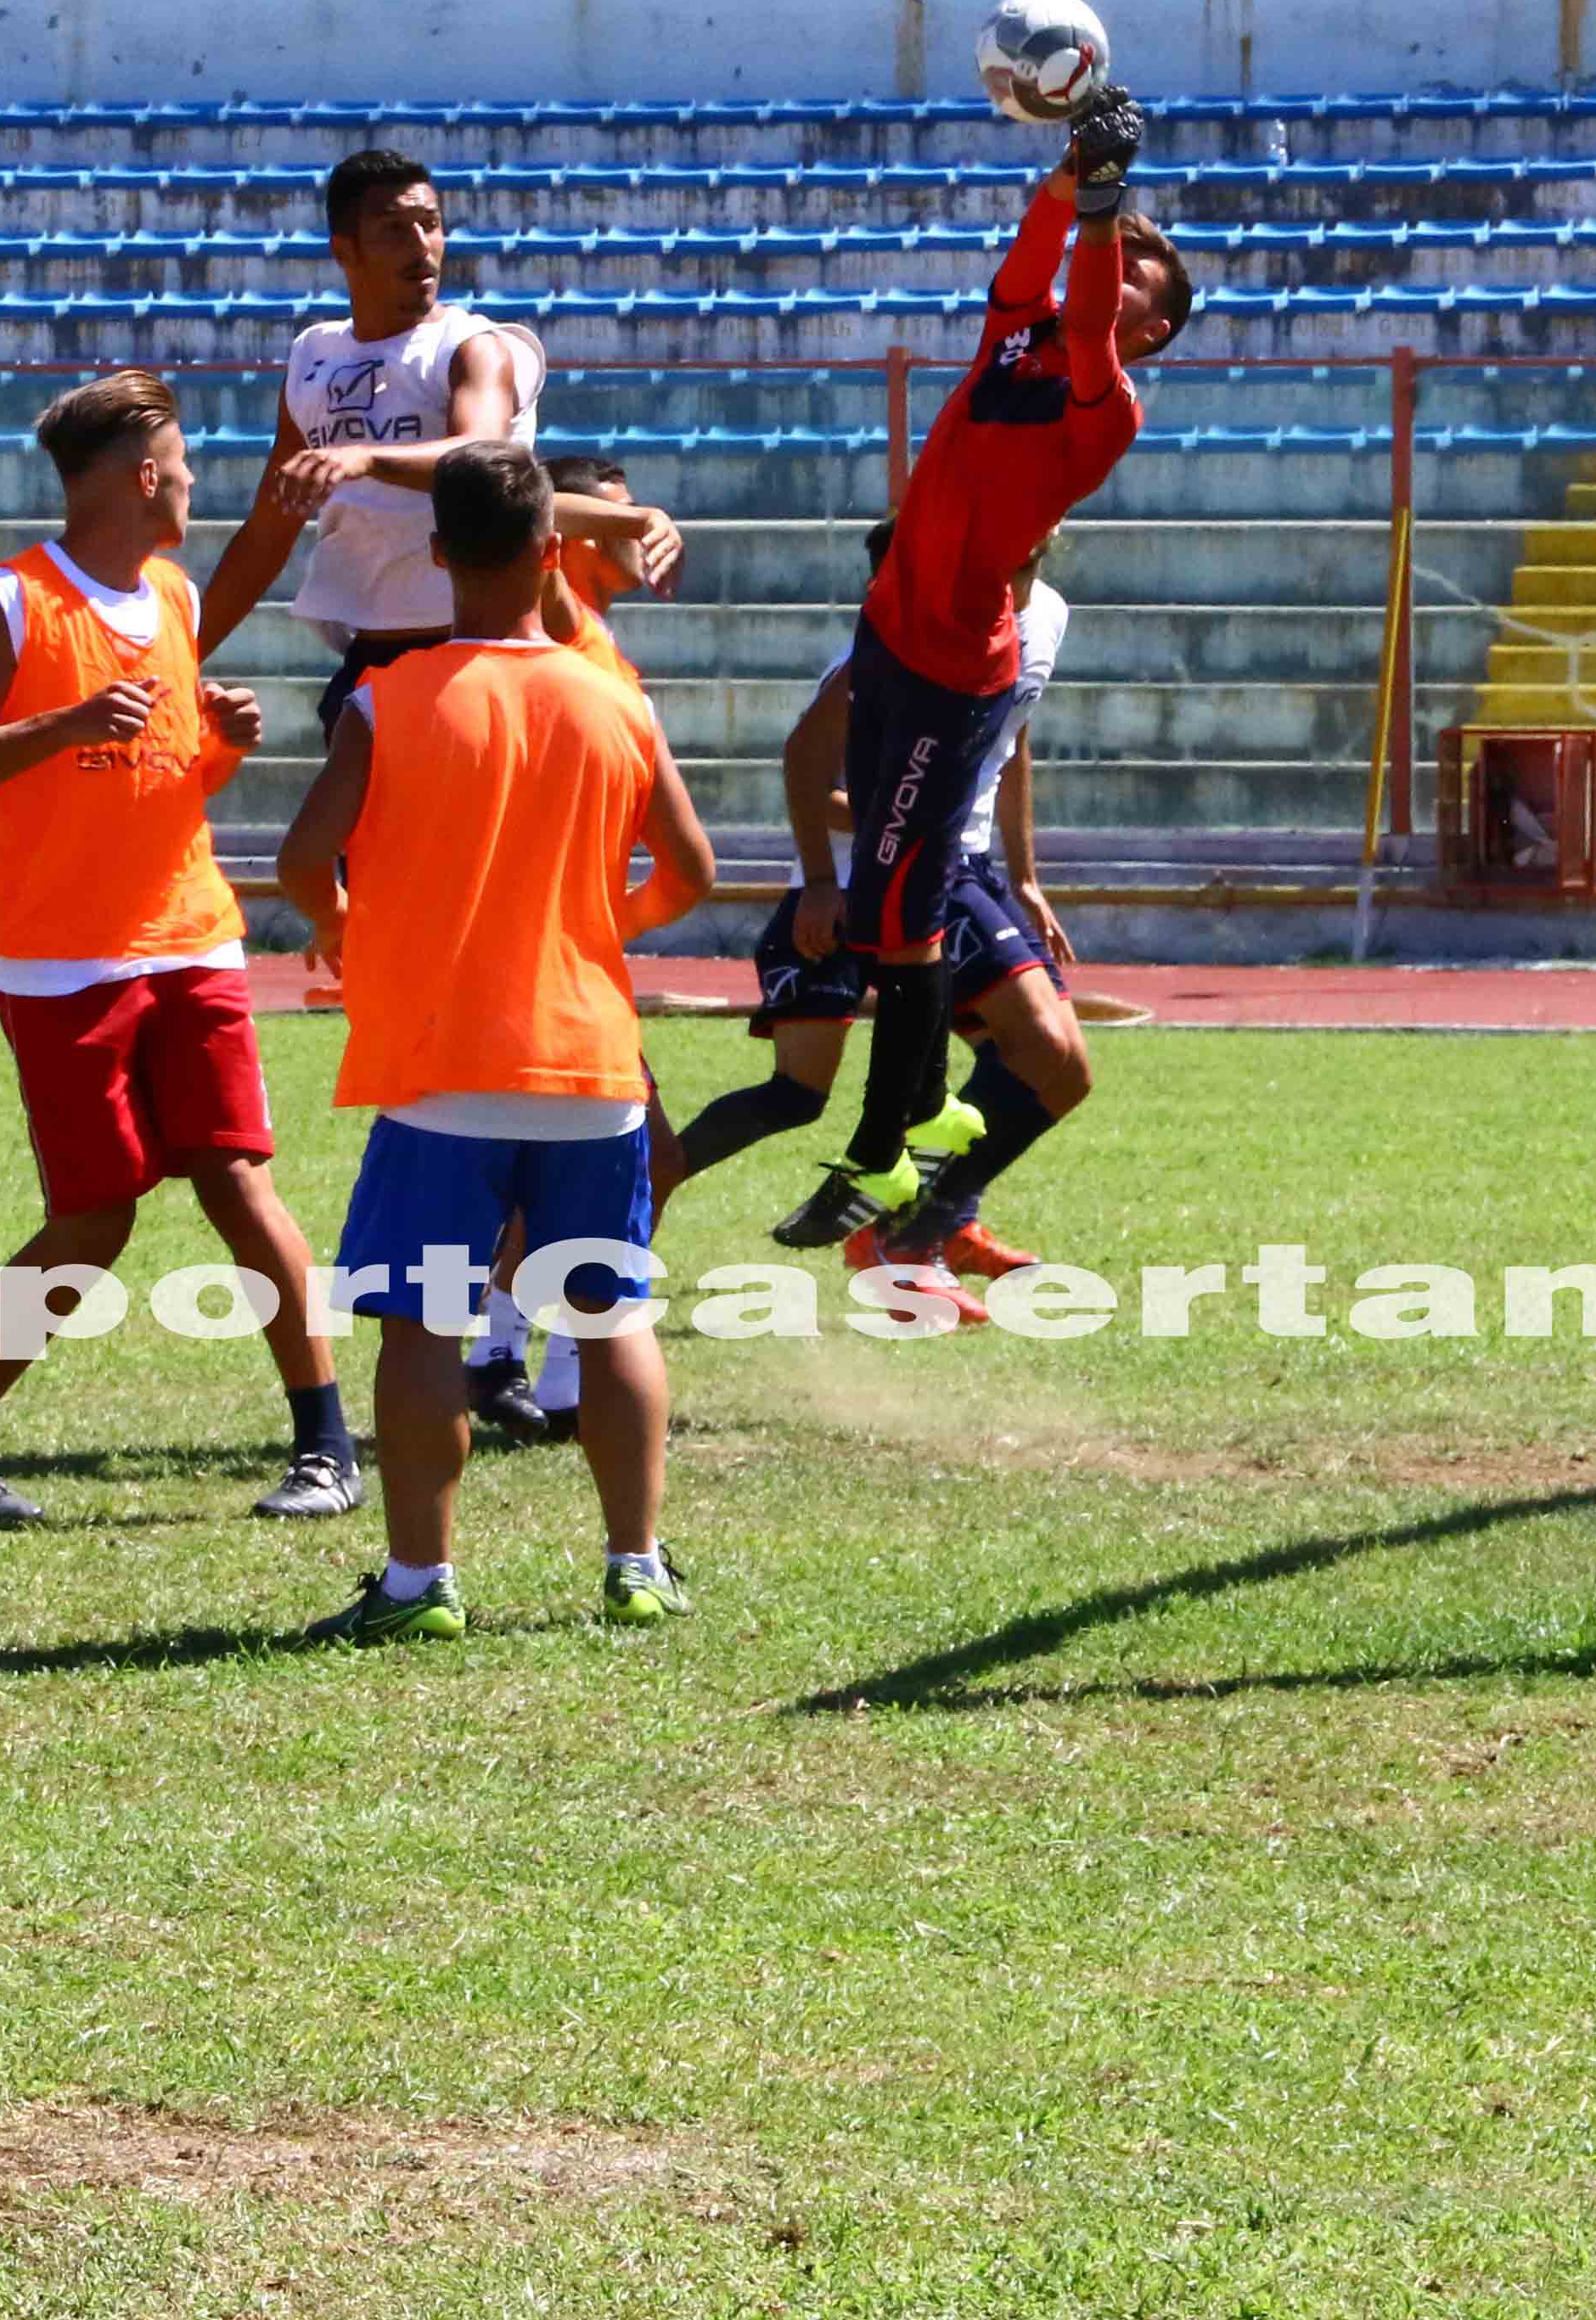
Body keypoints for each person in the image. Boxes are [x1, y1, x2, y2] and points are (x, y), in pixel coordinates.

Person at [0, 368, 355, 1527]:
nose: (193, 483)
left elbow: (163, 780)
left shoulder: (178, 601)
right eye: (185, 466)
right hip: (64, 961)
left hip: (191, 937)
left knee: (239, 1180)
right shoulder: (10, 601)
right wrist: (60, 723)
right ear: (144, 478)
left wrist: (224, 748)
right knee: (94, 1216)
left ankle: (326, 1445)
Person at [276, 439, 716, 1646]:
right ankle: (634, 1564)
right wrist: (601, 926)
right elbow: (691, 870)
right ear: (548, 553)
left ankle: (420, 1585)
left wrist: (346, 929)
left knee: (423, 1323)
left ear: (434, 557)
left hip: (443, 1066)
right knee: (608, 1309)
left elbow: (301, 859)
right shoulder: (611, 693)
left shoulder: (388, 696)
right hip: (588, 1059)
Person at [773, 93, 1186, 1248]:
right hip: (895, 637)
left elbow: (1093, 308)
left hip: (948, 666)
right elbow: (1033, 258)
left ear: (1150, 329)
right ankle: (903, 1152)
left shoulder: (1105, 399)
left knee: (901, 920)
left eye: (1147, 269)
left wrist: (1102, 209)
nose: (1124, 260)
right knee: (897, 924)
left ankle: (886, 1159)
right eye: (1127, 244)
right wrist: (1069, 179)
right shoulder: (1015, 333)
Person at [673, 530, 1092, 1319]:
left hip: (964, 865)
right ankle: (901, 1232)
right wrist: (824, 881)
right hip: (894, 869)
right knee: (802, 1091)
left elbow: (1012, 738)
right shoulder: (902, 640)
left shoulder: (1049, 616)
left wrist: (1027, 877)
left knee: (1058, 1068)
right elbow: (806, 764)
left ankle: (930, 1221)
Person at [197, 149, 681, 731]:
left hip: (484, 658)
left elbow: (481, 454)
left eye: (429, 224)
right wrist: (184, 657)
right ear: (343, 250)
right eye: (394, 230)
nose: (420, 244)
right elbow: (266, 533)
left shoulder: (473, 347)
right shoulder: (312, 358)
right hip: (373, 663)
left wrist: (364, 455)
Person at [458, 452, 684, 1441]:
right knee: (587, 1161)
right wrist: (623, 519)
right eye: (613, 516)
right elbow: (523, 518)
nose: (634, 533)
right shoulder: (551, 608)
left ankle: (528, 1360)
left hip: (565, 937)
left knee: (606, 1163)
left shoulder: (598, 637)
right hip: (536, 945)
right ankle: (510, 1356)